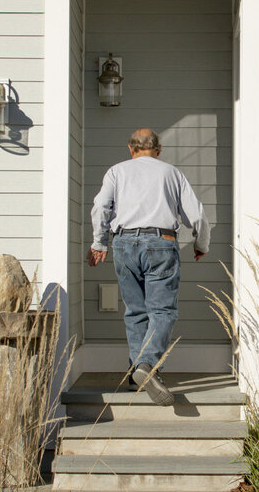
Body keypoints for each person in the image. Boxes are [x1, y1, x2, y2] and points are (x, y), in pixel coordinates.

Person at [87, 127, 209, 404]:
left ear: (131, 149)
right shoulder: (171, 173)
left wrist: (99, 243)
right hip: (160, 243)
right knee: (162, 311)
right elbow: (197, 215)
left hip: (124, 243)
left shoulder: (117, 171)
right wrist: (201, 244)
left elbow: (100, 208)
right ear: (158, 149)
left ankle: (136, 375)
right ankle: (147, 366)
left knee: (135, 312)